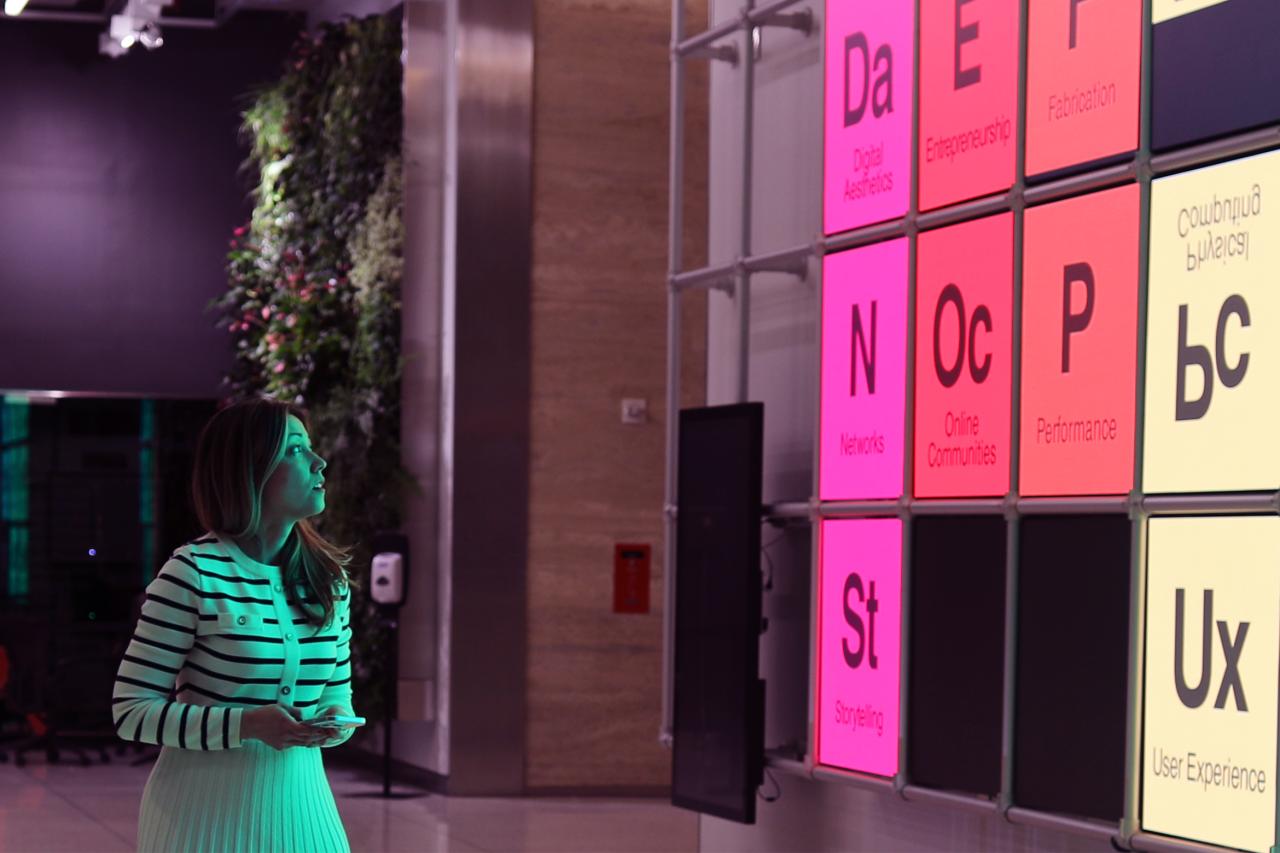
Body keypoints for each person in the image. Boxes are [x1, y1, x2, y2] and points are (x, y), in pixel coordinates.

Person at [112, 394, 361, 852]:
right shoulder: (192, 573)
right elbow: (131, 713)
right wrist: (246, 725)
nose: (319, 462)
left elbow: (337, 697)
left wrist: (335, 722)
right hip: (199, 816)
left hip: (304, 810)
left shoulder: (329, 579)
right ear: (249, 470)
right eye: (294, 449)